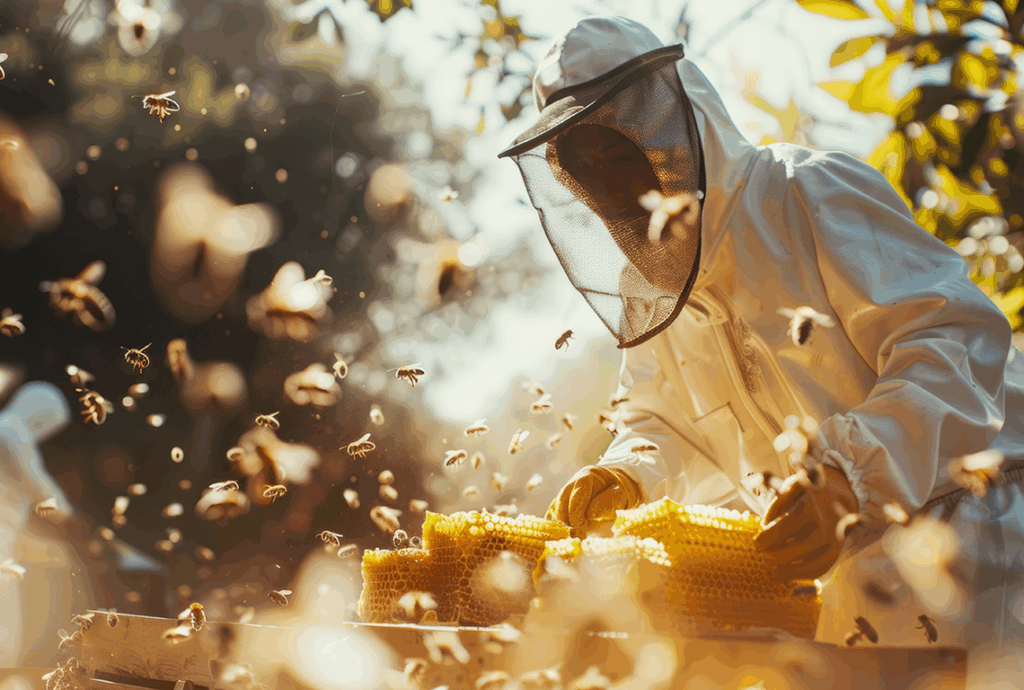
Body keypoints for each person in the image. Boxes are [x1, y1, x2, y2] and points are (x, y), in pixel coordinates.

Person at [498, 15, 1024, 678]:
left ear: (672, 129)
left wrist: (852, 471)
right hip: (842, 589)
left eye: (616, 148)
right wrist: (629, 473)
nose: (608, 183)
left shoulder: (806, 193)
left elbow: (955, 340)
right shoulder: (650, 287)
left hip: (974, 556)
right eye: (583, 165)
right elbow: (660, 420)